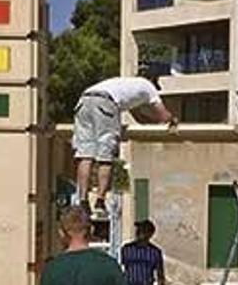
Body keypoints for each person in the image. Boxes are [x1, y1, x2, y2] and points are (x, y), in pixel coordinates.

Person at [72, 76, 177, 218]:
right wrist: (172, 119)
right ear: (153, 82)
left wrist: (150, 126)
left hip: (84, 101)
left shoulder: (128, 86)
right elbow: (163, 114)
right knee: (105, 156)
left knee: (84, 154)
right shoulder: (149, 88)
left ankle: (82, 201)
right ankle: (100, 201)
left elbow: (139, 118)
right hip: (106, 104)